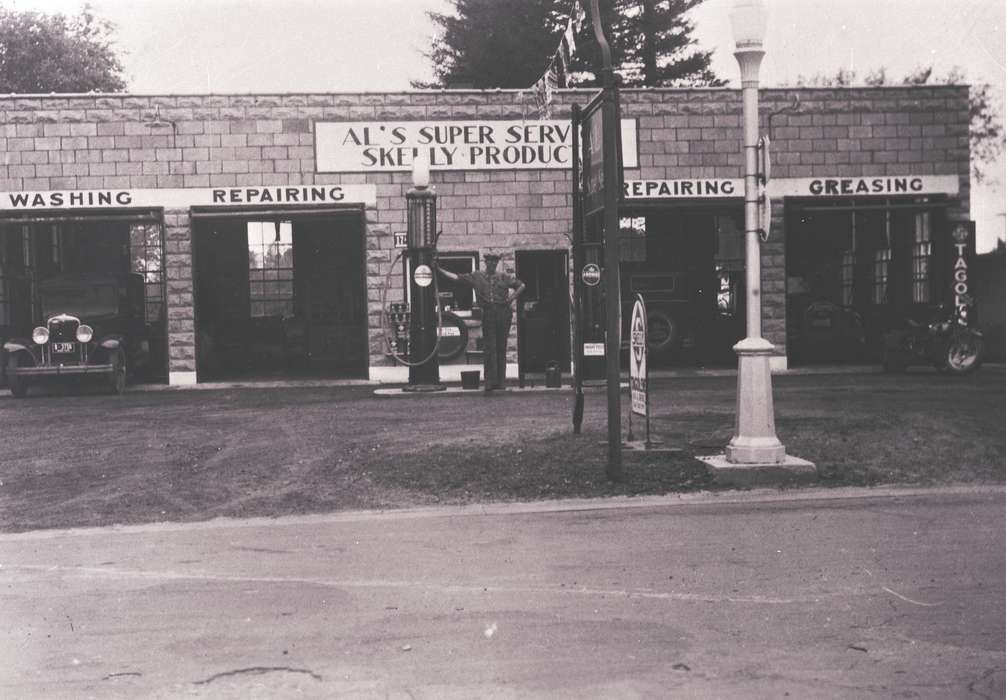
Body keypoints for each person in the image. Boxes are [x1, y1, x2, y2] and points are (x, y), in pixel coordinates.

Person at [435, 252, 525, 391]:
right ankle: (489, 382)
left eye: (495, 262)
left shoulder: (503, 277)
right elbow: (457, 278)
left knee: (501, 347)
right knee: (489, 348)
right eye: (489, 261)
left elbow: (521, 286)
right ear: (485, 262)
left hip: (503, 313)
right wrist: (439, 270)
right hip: (488, 313)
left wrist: (511, 298)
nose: (492, 264)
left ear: (497, 263)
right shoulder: (477, 276)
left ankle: (501, 382)